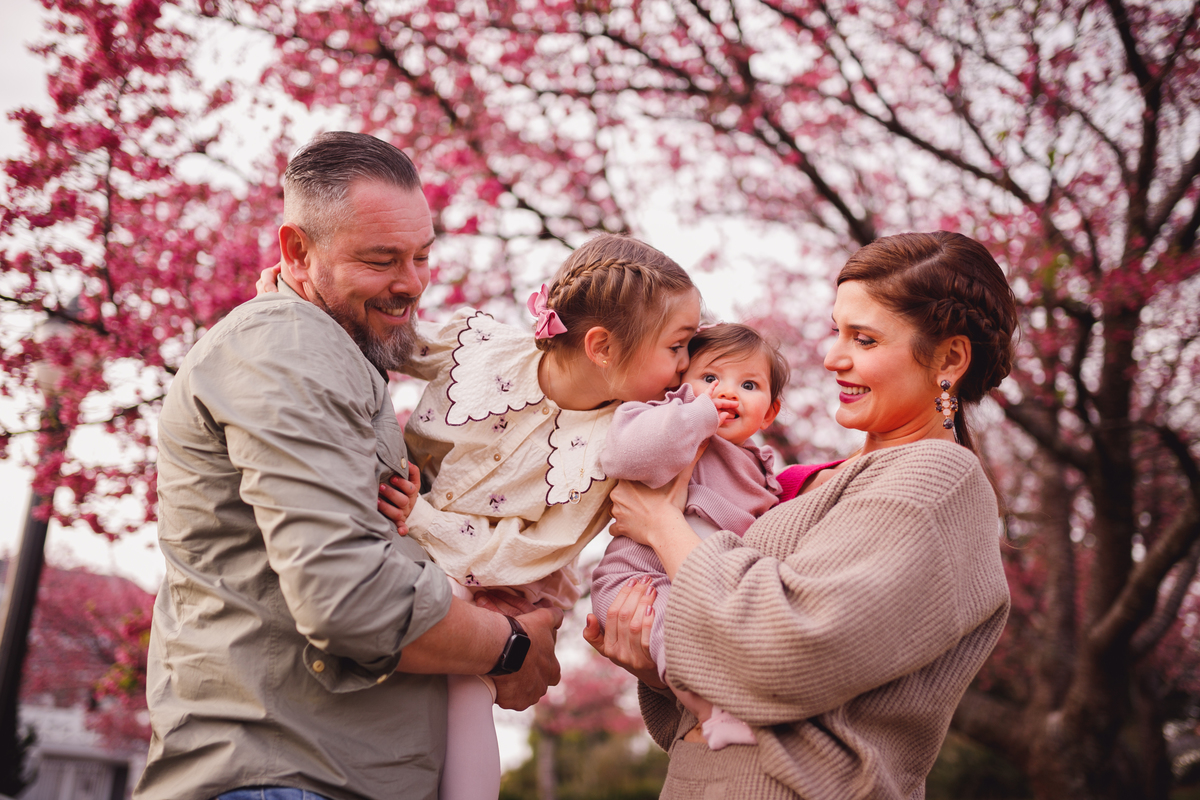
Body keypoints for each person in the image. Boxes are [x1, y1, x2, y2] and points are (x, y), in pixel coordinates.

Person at [137, 132, 563, 800]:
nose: (413, 283)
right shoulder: (290, 341)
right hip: (288, 778)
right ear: (296, 250)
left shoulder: (315, 345)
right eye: (381, 259)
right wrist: (509, 644)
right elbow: (349, 598)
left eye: (422, 255)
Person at [586, 231, 1017, 799]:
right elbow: (735, 686)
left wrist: (662, 525)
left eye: (863, 339)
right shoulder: (799, 484)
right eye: (836, 331)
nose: (833, 357)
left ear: (949, 359)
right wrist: (650, 660)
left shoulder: (937, 480)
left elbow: (790, 654)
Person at [382, 233, 700, 800]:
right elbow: (388, 340)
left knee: (465, 692)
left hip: (497, 580)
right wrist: (298, 306)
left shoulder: (608, 453)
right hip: (407, 531)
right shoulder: (480, 346)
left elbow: (525, 554)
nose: (686, 366)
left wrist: (425, 518)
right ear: (602, 346)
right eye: (677, 347)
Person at [590, 323, 793, 750]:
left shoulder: (764, 475)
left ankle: (724, 700)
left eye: (749, 384)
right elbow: (623, 455)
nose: (727, 393)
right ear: (679, 385)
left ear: (770, 412)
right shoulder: (666, 422)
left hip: (695, 584)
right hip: (638, 580)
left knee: (708, 632)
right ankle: (712, 708)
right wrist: (696, 413)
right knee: (674, 628)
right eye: (710, 378)